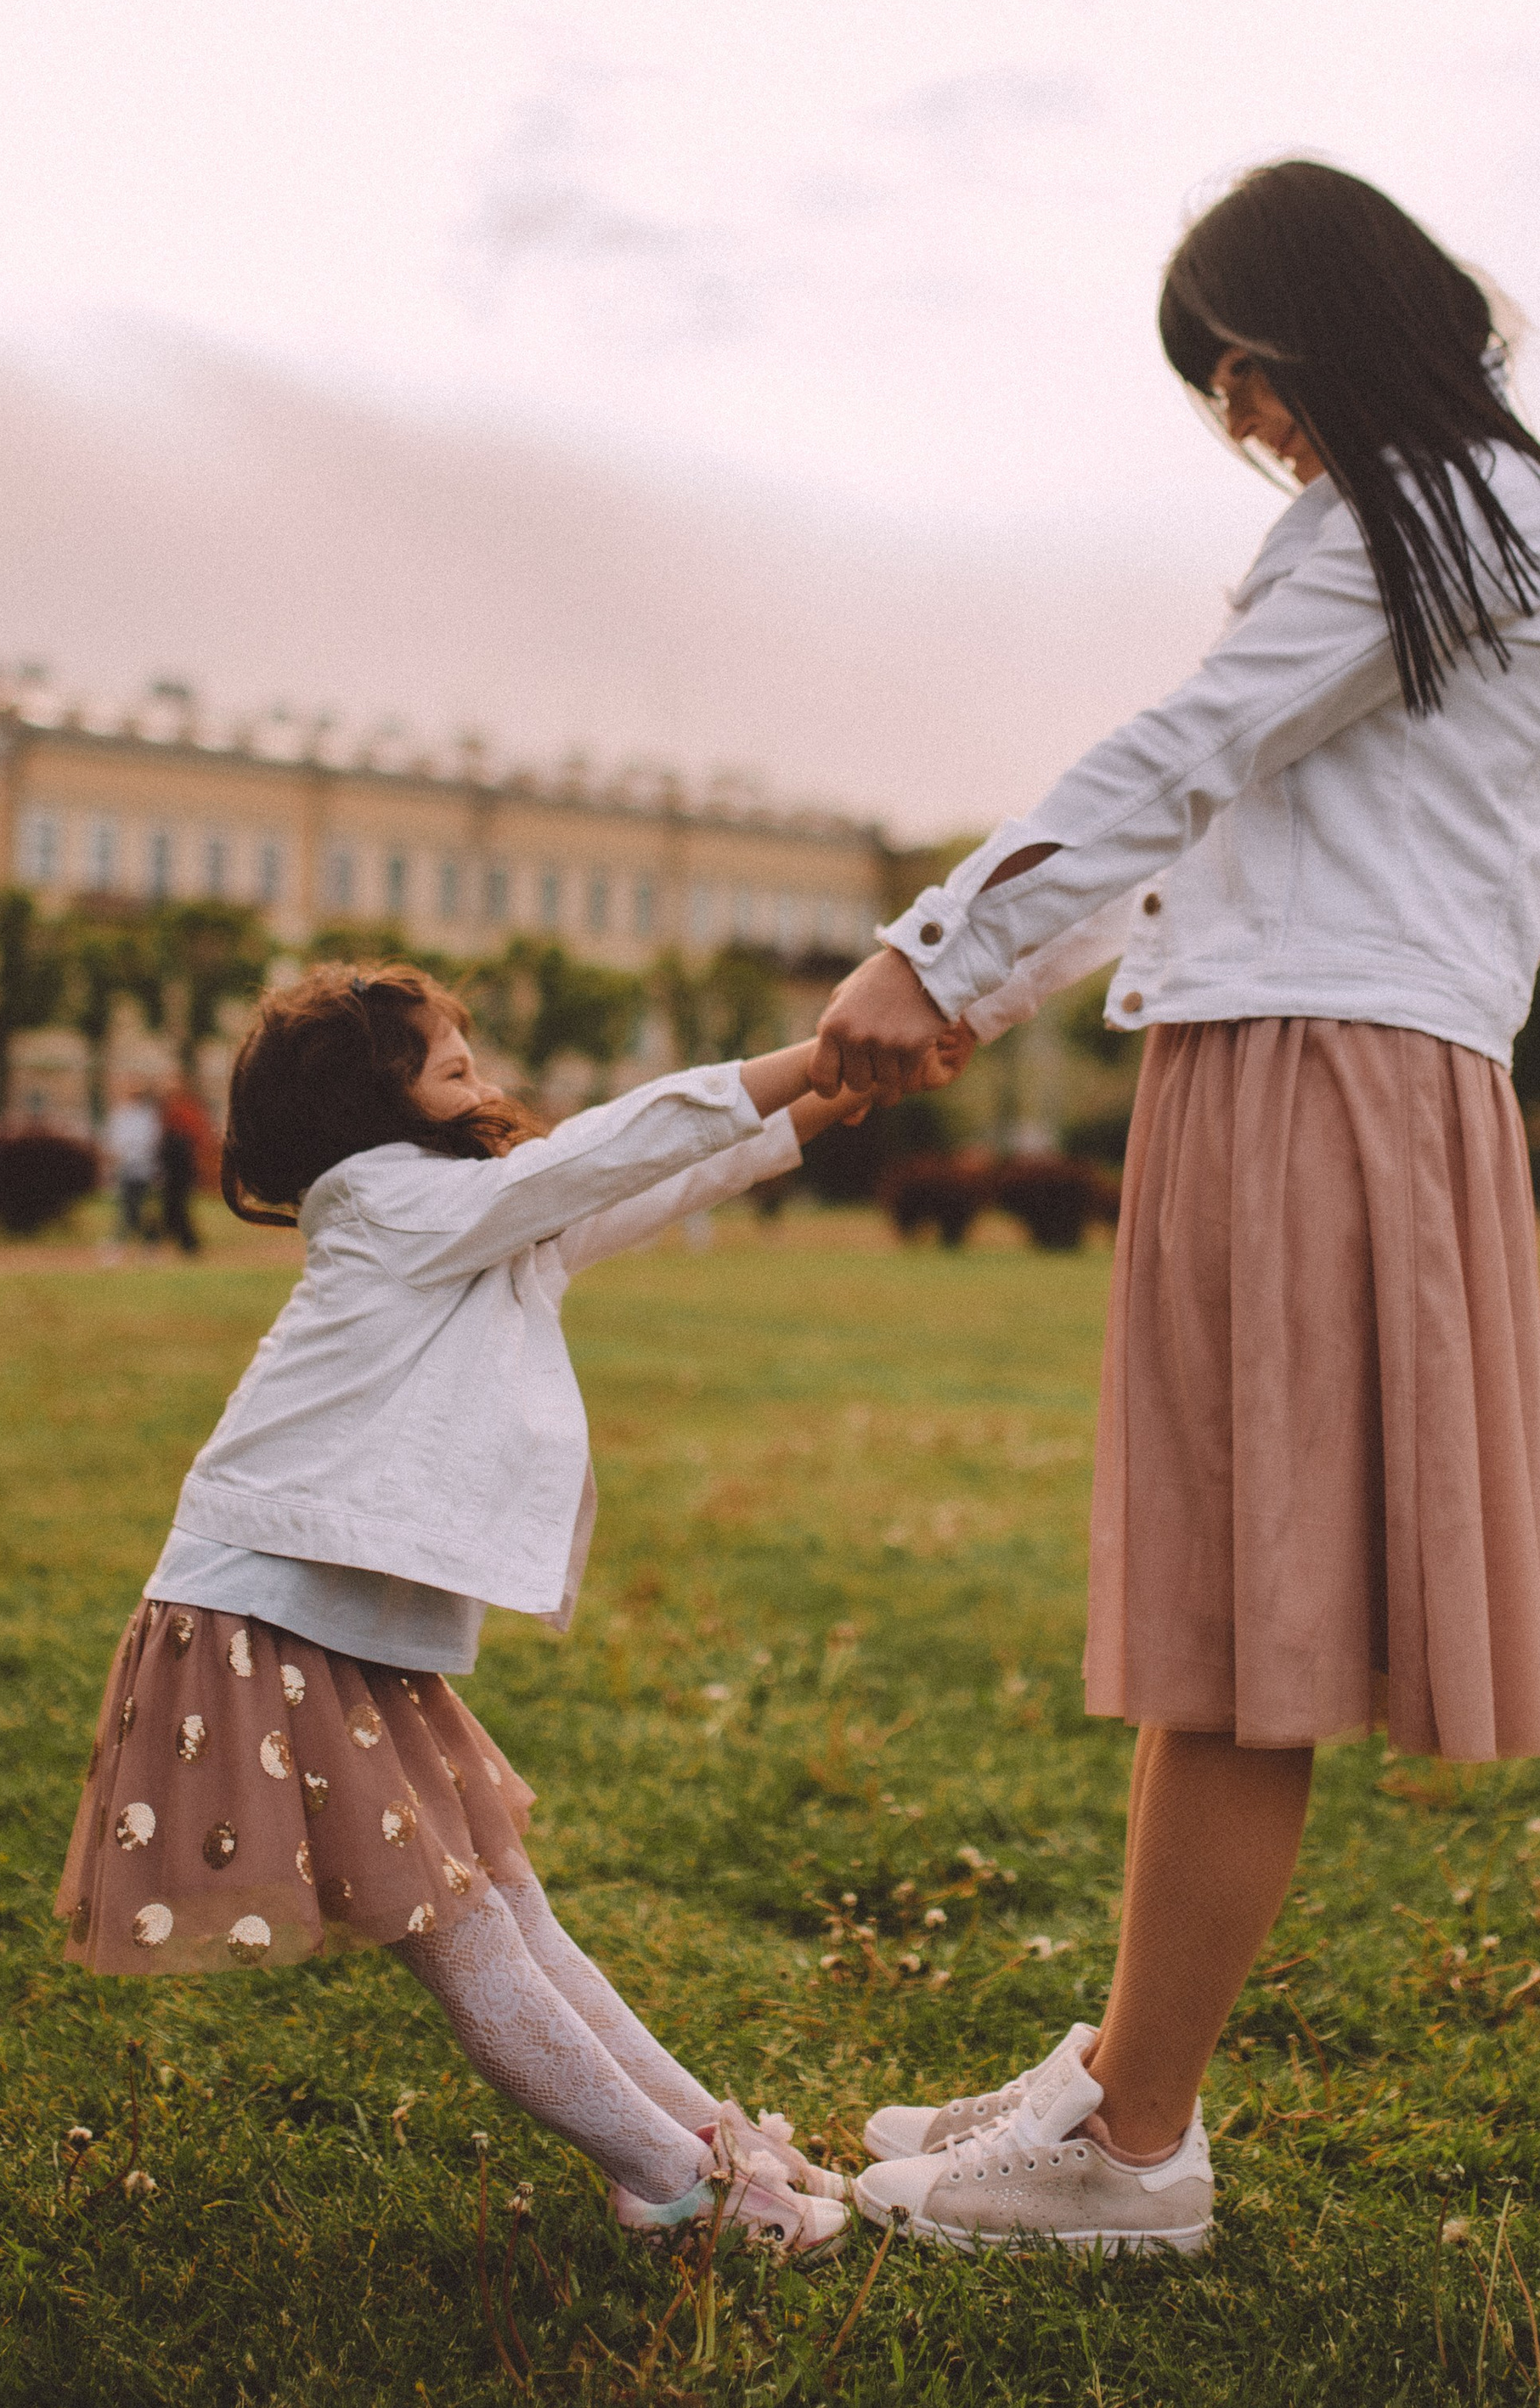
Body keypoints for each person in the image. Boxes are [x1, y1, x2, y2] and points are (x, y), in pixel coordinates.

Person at [811, 159, 1540, 2256]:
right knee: (1217, 1618)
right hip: (1287, 1056)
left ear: (1324, 324)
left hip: (1324, 1072)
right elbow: (1228, 806)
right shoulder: (1433, 515)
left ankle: (1133, 2142)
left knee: (1248, 1632)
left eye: (1241, 367)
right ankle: (1115, 2073)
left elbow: (1183, 749)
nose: (1239, 416)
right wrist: (981, 986)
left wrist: (930, 951)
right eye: (1216, 390)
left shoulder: (1438, 510)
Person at [56, 962, 922, 2254]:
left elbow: (637, 1185)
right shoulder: (394, 1204)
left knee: (509, 1907)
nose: (484, 1076)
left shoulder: (459, 1217)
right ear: (369, 1103)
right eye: (450, 1063)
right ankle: (677, 2191)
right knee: (466, 1934)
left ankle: (706, 2143)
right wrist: (804, 1061)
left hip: (329, 1622)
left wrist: (820, 1105)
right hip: (266, 1618)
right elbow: (604, 1152)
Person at [103, 1086, 161, 1243]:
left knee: (139, 1204)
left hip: (143, 1166)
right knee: (128, 1203)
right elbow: (113, 1141)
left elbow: (152, 1141)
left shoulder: (148, 1116)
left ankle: (146, 1237)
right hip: (126, 1165)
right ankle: (131, 1235)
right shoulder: (121, 1115)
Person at [155, 1082, 206, 1258]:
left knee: (175, 1206)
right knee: (175, 1207)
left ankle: (186, 1242)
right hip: (179, 1168)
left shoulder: (179, 1113)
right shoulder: (181, 1111)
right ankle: (184, 1242)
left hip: (178, 1168)